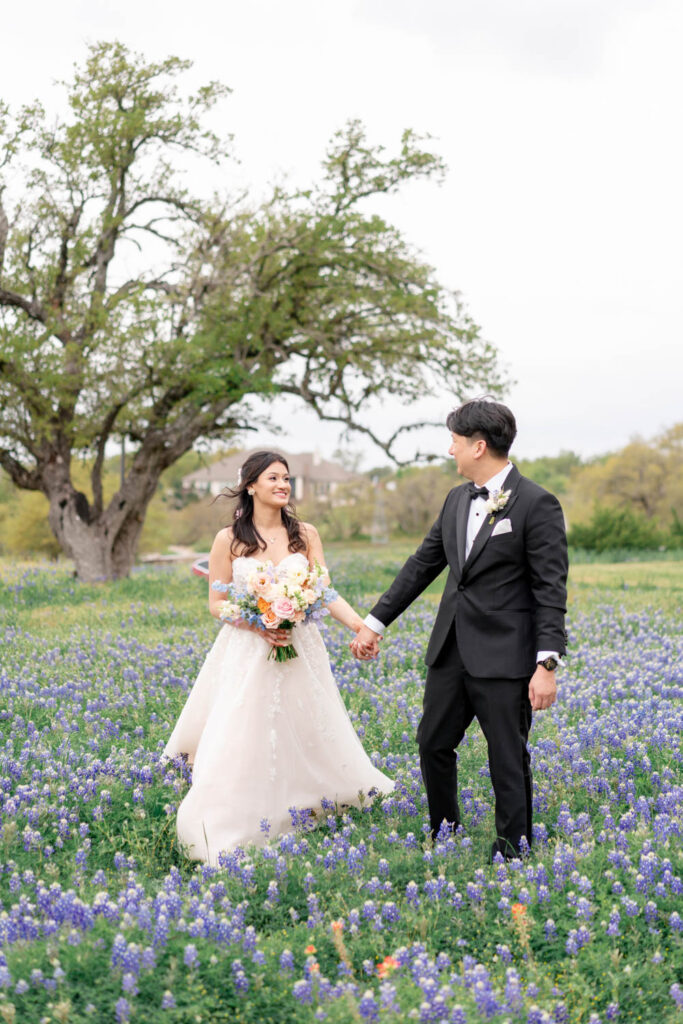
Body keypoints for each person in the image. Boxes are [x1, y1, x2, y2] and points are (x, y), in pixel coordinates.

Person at [351, 399, 568, 859]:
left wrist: (546, 663)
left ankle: (513, 849)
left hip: (505, 656)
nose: (449, 450)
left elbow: (550, 589)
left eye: (454, 441)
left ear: (478, 446)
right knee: (432, 742)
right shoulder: (455, 499)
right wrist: (375, 622)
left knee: (507, 757)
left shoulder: (536, 503)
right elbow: (422, 565)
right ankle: (444, 832)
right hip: (450, 650)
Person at [163, 450, 394, 864]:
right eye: (273, 478)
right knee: (246, 728)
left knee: (304, 724)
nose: (283, 485)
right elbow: (216, 603)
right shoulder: (227, 540)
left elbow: (323, 591)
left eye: (287, 479)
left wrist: (361, 627)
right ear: (251, 484)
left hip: (299, 644)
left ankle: (309, 800)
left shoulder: (305, 534)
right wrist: (257, 622)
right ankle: (243, 813)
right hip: (249, 648)